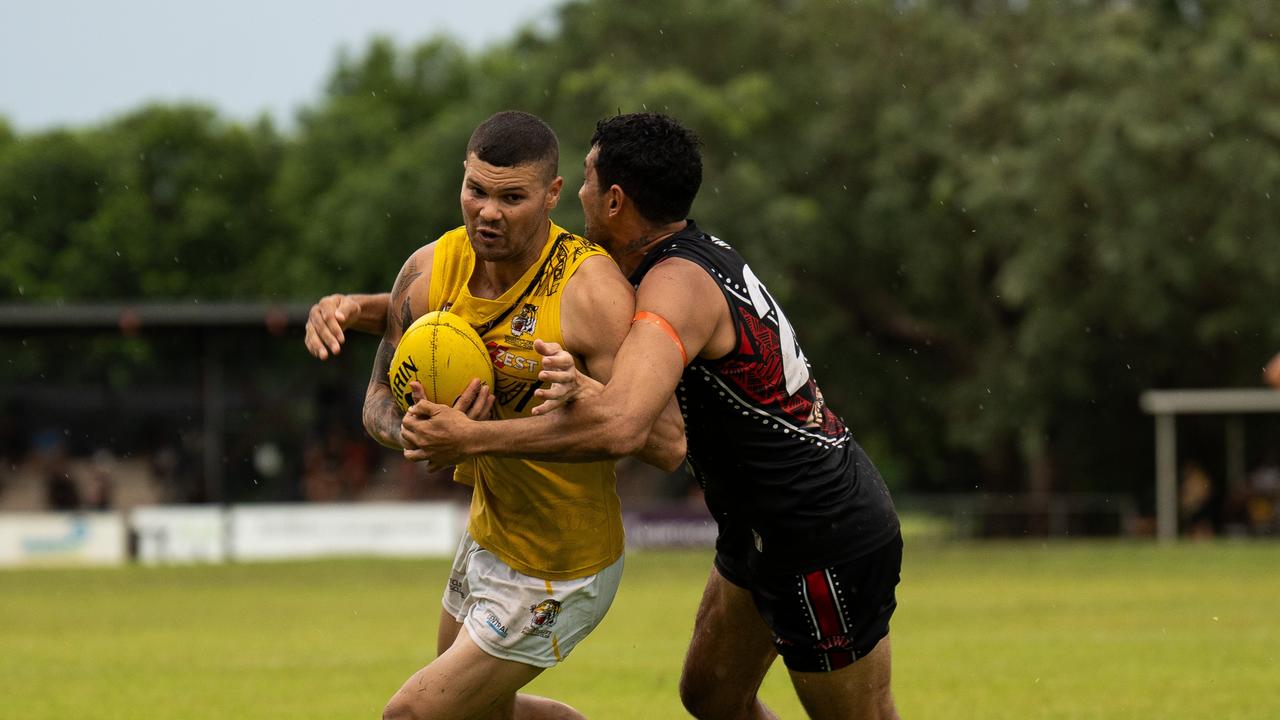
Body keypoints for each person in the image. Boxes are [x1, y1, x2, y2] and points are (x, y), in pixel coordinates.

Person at [312, 113, 903, 720]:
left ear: (613, 199)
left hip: (816, 526)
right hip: (756, 522)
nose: (577, 194)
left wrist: (478, 435)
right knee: (711, 697)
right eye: (477, 191)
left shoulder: (669, 285)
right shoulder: (642, 265)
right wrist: (359, 307)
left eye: (586, 180)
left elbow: (636, 428)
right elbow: (463, 311)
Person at [314, 110, 685, 720]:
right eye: (476, 190)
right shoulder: (433, 268)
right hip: (491, 535)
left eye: (512, 197)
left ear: (552, 195)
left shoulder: (589, 289)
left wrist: (574, 398)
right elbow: (378, 400)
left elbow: (668, 442)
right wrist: (412, 430)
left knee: (409, 715)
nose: (488, 212)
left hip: (566, 563)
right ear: (462, 177)